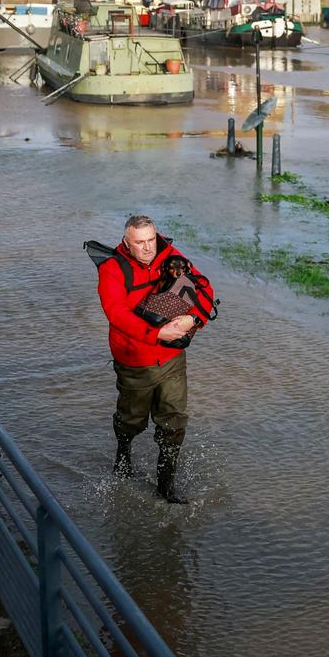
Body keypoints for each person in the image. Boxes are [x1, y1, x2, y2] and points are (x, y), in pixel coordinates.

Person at [96, 213, 215, 504]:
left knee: (173, 422)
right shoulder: (113, 269)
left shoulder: (170, 255)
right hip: (135, 359)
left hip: (173, 357)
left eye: (151, 240)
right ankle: (123, 455)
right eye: (140, 243)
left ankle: (166, 486)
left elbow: (205, 288)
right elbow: (117, 314)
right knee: (131, 419)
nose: (148, 248)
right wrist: (156, 334)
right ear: (127, 242)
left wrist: (192, 320)